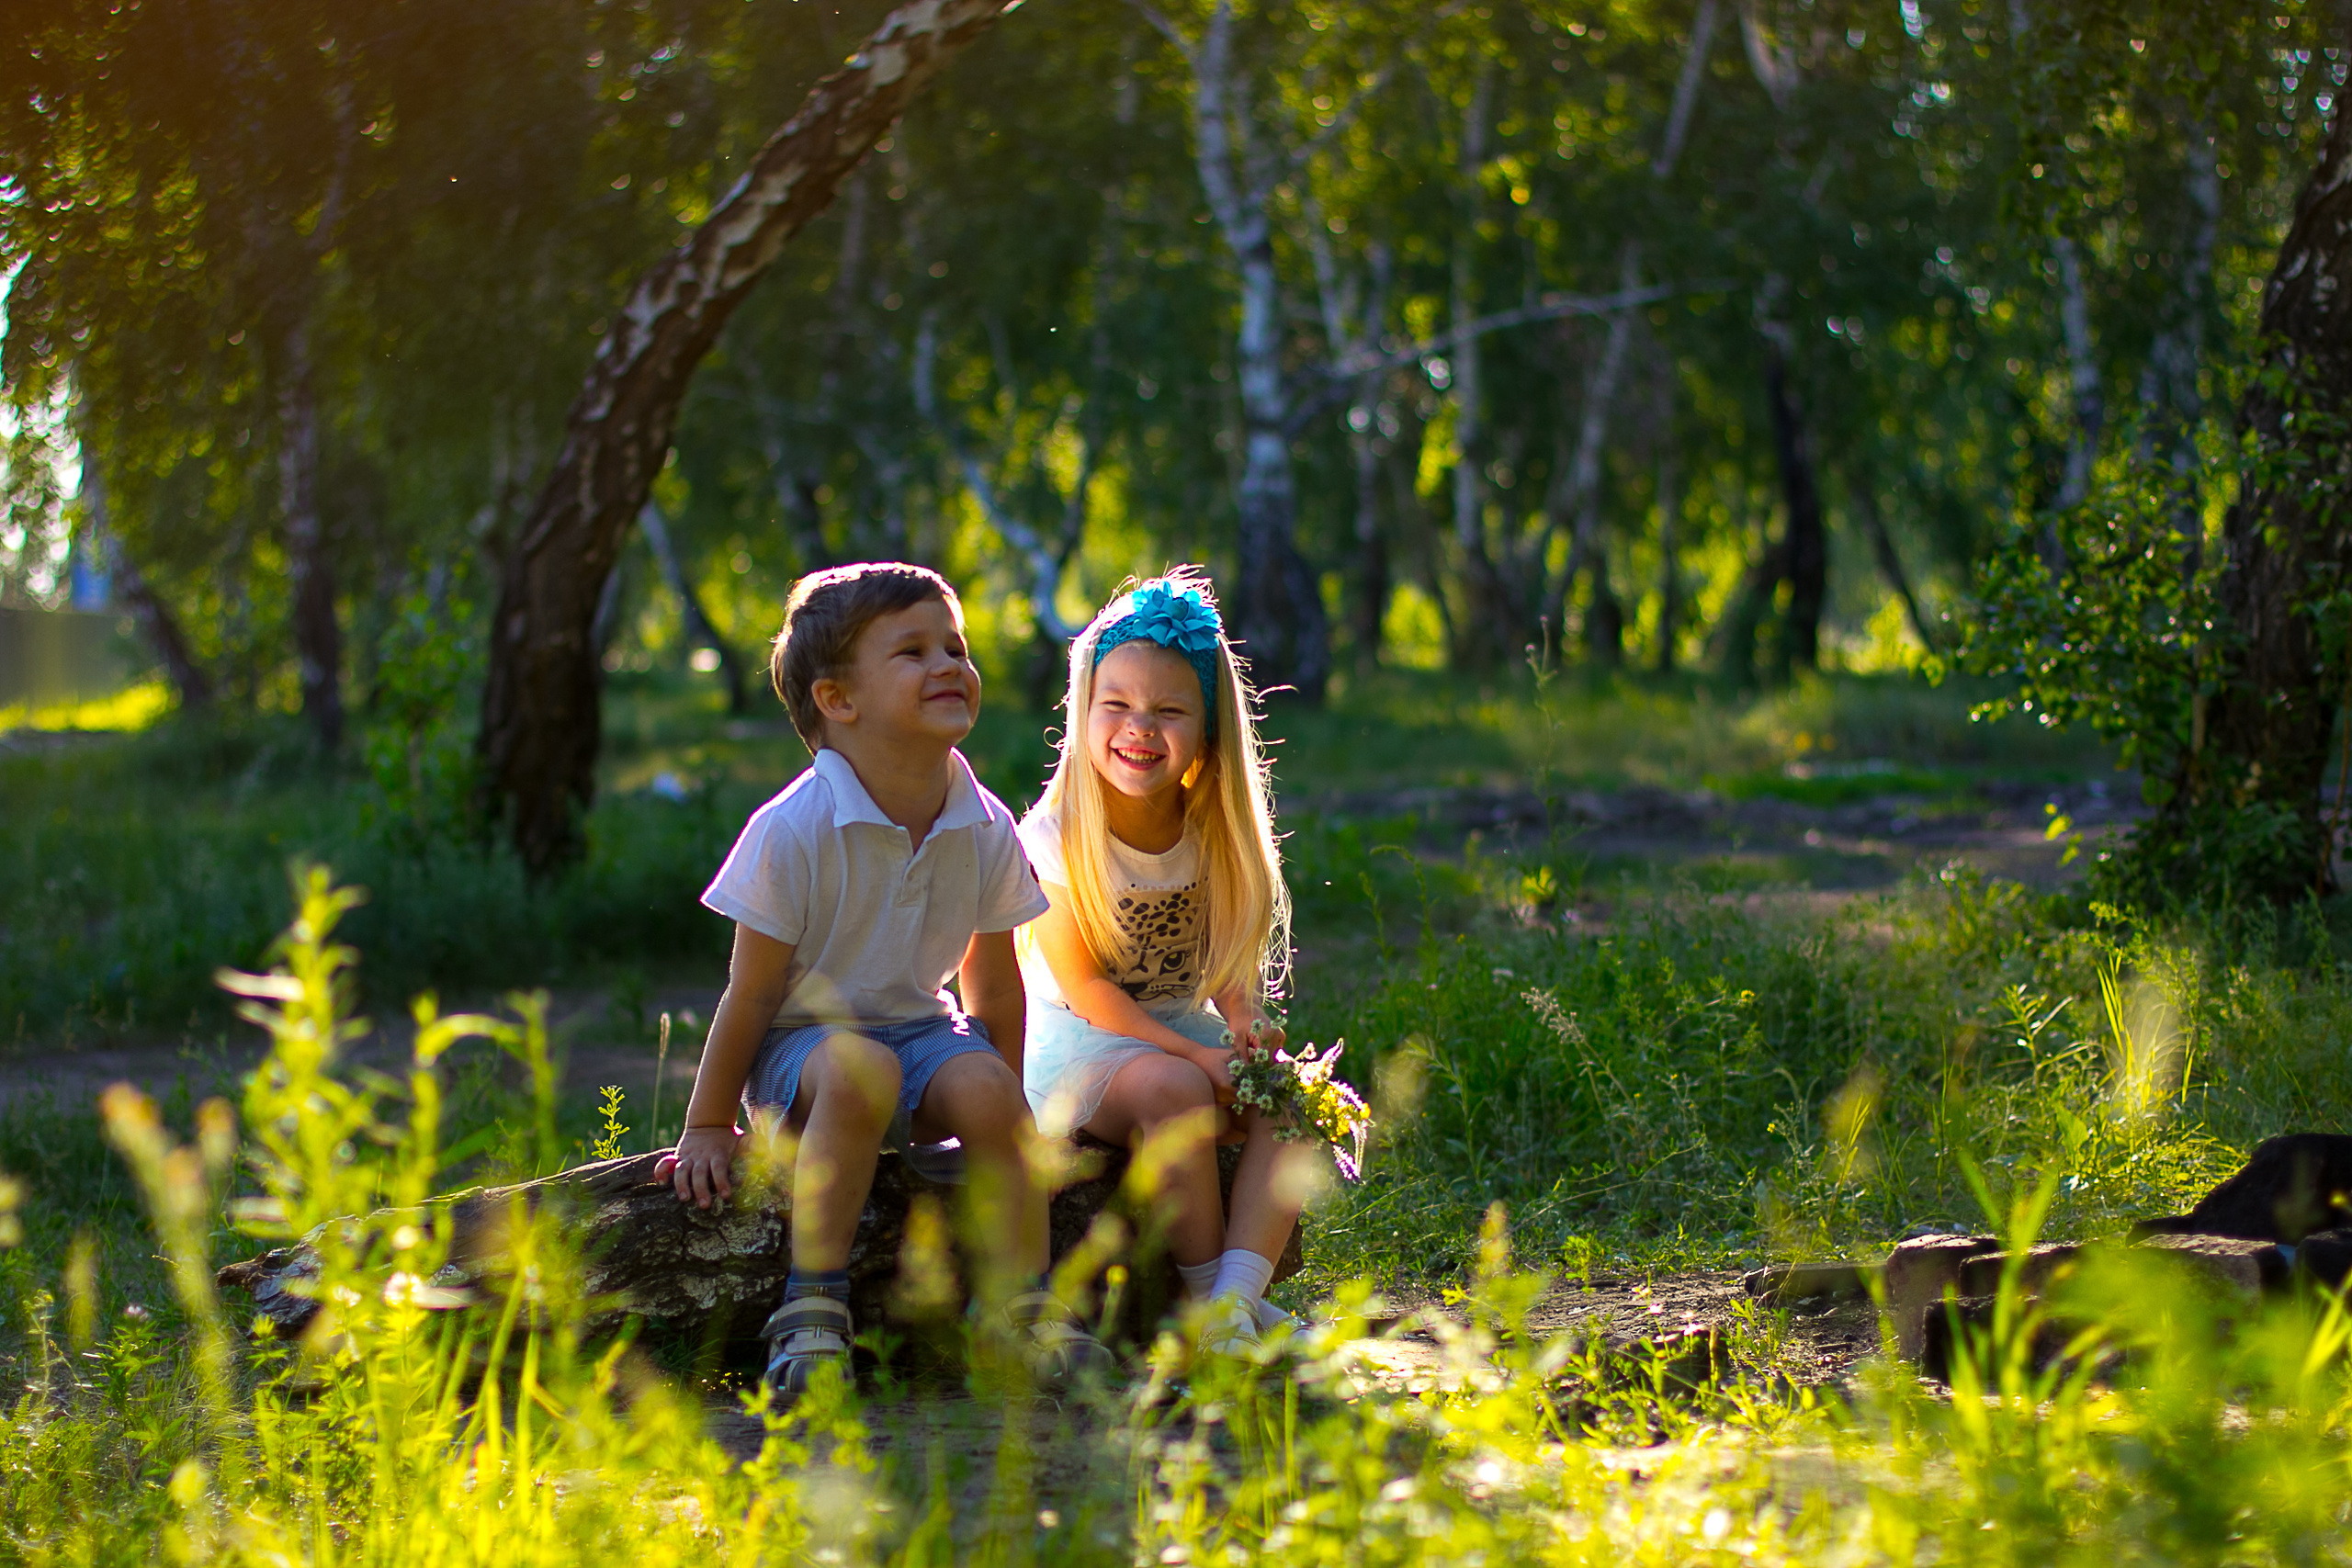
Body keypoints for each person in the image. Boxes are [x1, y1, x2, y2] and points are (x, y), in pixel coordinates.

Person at [659, 562, 1110, 1397]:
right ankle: (812, 1309)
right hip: (805, 1047)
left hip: (921, 1032)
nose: (948, 665)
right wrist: (709, 1123)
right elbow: (751, 995)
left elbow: (995, 985)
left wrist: (1001, 1116)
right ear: (838, 699)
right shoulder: (792, 829)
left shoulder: (982, 821)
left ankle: (1022, 1311)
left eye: (955, 646)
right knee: (861, 1070)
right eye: (912, 650)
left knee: (984, 1086)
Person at [1018, 569, 1318, 1356]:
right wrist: (1195, 1053)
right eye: (1116, 705)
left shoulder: (1209, 828)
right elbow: (1082, 987)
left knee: (1298, 1099)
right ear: (1084, 711)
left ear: (1208, 729)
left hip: (1179, 1027)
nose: (1138, 727)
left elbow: (1220, 957)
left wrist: (1245, 1016)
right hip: (1083, 1046)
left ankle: (1234, 1301)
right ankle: (1199, 1300)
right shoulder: (1055, 837)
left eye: (1168, 710)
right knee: (1182, 1088)